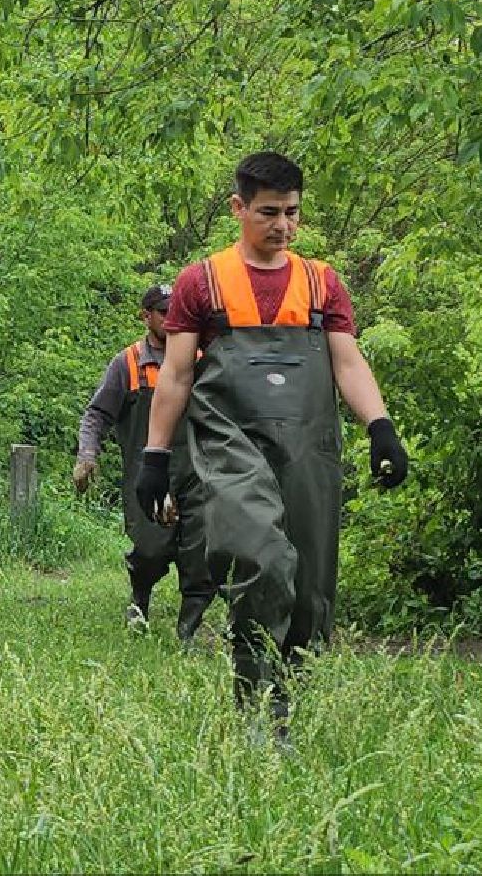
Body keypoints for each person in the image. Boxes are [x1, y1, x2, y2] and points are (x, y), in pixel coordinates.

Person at [137, 151, 408, 743]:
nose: (282, 225)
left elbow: (346, 360)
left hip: (308, 442)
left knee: (310, 590)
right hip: (228, 439)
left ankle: (284, 705)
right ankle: (256, 706)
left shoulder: (322, 282)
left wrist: (379, 426)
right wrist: (155, 458)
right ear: (238, 208)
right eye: (268, 212)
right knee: (262, 554)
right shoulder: (200, 282)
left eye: (291, 213)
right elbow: (178, 374)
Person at [75, 284, 216, 643]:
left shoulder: (201, 360)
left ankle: (188, 633)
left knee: (200, 554)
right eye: (163, 312)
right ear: (146, 316)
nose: (171, 320)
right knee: (151, 550)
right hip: (148, 474)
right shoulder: (128, 362)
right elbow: (96, 414)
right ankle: (140, 599)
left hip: (198, 474)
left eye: (176, 312)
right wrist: (87, 455)